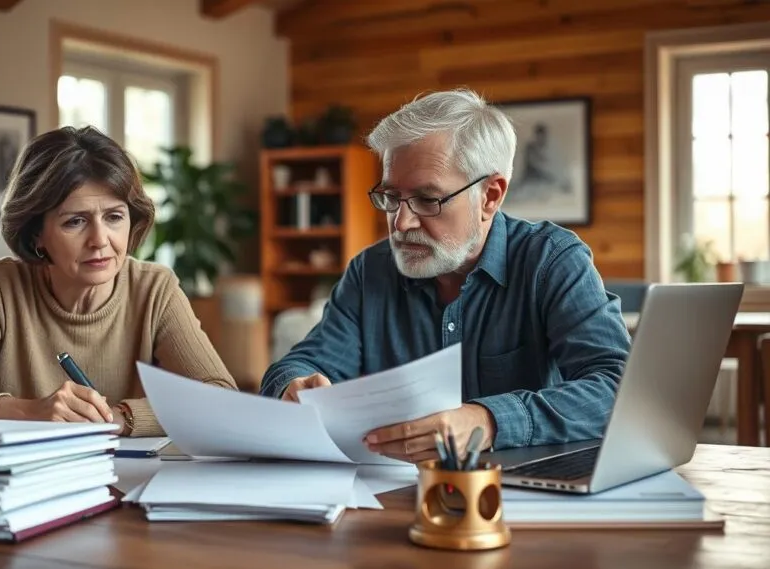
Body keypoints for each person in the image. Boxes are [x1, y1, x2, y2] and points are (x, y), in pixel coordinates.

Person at [260, 89, 631, 461]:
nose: (401, 223)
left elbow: (617, 386)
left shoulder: (551, 262)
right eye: (391, 197)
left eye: (427, 199)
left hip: (527, 494)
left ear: (490, 196)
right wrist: (293, 385)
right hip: (395, 494)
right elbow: (303, 364)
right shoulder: (369, 272)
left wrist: (488, 421)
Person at [0, 126, 237, 436]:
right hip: (28, 489)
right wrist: (26, 411)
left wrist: (121, 418)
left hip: (136, 484)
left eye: (114, 217)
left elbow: (223, 400)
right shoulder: (1, 288)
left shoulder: (155, 289)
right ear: (36, 235)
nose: (100, 239)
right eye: (75, 222)